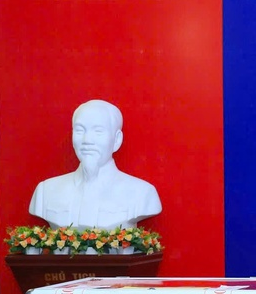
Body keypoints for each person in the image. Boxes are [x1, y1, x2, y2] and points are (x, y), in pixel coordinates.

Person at [29, 99, 162, 231]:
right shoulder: (45, 191)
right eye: (79, 130)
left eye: (98, 131)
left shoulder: (142, 193)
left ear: (117, 140)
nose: (87, 140)